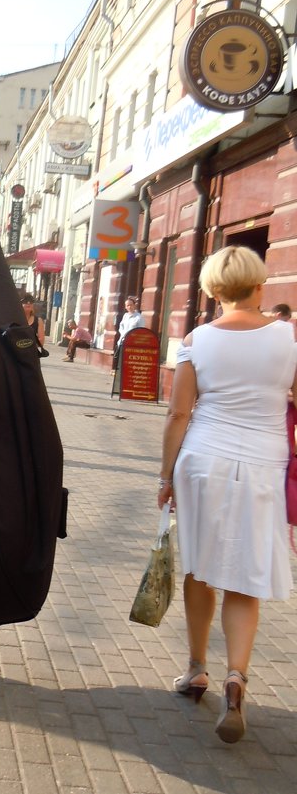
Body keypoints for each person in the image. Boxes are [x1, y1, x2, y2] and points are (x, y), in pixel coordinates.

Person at [158, 245, 296, 744]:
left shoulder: (196, 340)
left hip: (204, 460)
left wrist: (164, 475)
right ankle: (237, 677)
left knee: (201, 568)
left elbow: (178, 414)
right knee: (245, 577)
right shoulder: (289, 337)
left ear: (212, 291)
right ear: (260, 286)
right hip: (263, 464)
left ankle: (197, 668)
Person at [113, 295, 145, 370]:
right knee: (120, 362)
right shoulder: (125, 315)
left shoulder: (139, 317)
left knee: (128, 363)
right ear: (125, 307)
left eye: (131, 305)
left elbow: (141, 331)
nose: (129, 307)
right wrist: (123, 334)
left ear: (134, 305)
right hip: (122, 341)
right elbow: (121, 327)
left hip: (132, 344)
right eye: (127, 305)